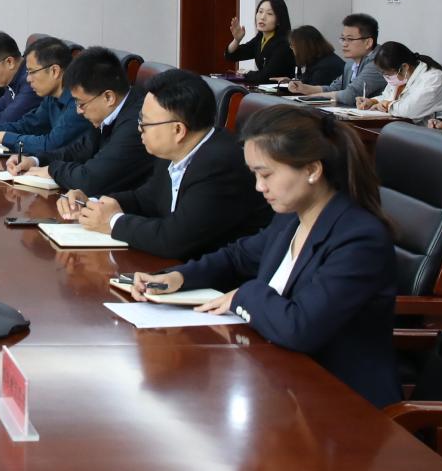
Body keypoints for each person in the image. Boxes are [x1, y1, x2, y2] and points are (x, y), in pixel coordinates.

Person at [132, 105, 399, 407]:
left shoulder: (359, 239)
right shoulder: (291, 217)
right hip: (280, 380)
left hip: (341, 400)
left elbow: (300, 327)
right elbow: (237, 257)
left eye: (266, 174)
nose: (259, 187)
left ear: (312, 170)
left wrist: (243, 295)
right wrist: (177, 277)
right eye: (255, 175)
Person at [57, 69, 269, 259]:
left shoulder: (220, 164)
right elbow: (146, 199)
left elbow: (174, 240)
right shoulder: (175, 151)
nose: (139, 129)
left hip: (220, 280)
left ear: (178, 130)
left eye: (145, 122)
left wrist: (112, 221)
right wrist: (93, 204)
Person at [14, 47, 151, 194]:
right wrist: (36, 160)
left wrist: (52, 170)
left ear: (108, 97)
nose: (79, 111)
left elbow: (91, 179)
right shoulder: (110, 113)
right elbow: (81, 149)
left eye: (81, 103)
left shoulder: (137, 123)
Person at [0, 37, 94, 159]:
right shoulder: (51, 97)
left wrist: (3, 137)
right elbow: (28, 125)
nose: (28, 79)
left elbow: (50, 145)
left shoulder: (78, 102)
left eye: (32, 72)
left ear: (54, 71)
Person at [290, 12, 386, 106]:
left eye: (350, 39)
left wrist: (313, 97)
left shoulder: (378, 62)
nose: (344, 44)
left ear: (368, 43)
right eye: (343, 39)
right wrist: (303, 88)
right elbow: (334, 88)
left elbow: (350, 95)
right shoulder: (350, 63)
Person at [359, 42, 442, 121]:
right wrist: (373, 101)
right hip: (406, 126)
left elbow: (410, 110)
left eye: (388, 74)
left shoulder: (432, 78)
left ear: (404, 67)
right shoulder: (402, 76)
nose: (387, 78)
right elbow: (388, 97)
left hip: (433, 130)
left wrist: (387, 105)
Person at [226, 0, 294, 79]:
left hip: (281, 87)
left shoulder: (284, 43)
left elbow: (266, 76)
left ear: (279, 20)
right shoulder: (260, 38)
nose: (262, 17)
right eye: (260, 11)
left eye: (269, 14)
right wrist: (236, 40)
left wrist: (246, 73)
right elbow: (231, 56)